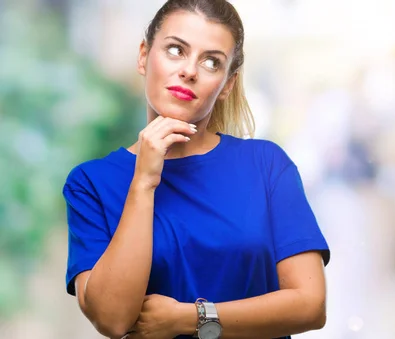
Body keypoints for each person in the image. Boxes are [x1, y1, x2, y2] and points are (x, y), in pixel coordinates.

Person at [62, 1, 330, 338]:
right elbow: (112, 319)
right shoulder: (91, 183)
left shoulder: (267, 165)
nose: (189, 71)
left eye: (211, 62)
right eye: (175, 50)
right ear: (144, 56)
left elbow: (310, 305)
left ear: (227, 83)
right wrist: (144, 181)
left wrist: (190, 318)